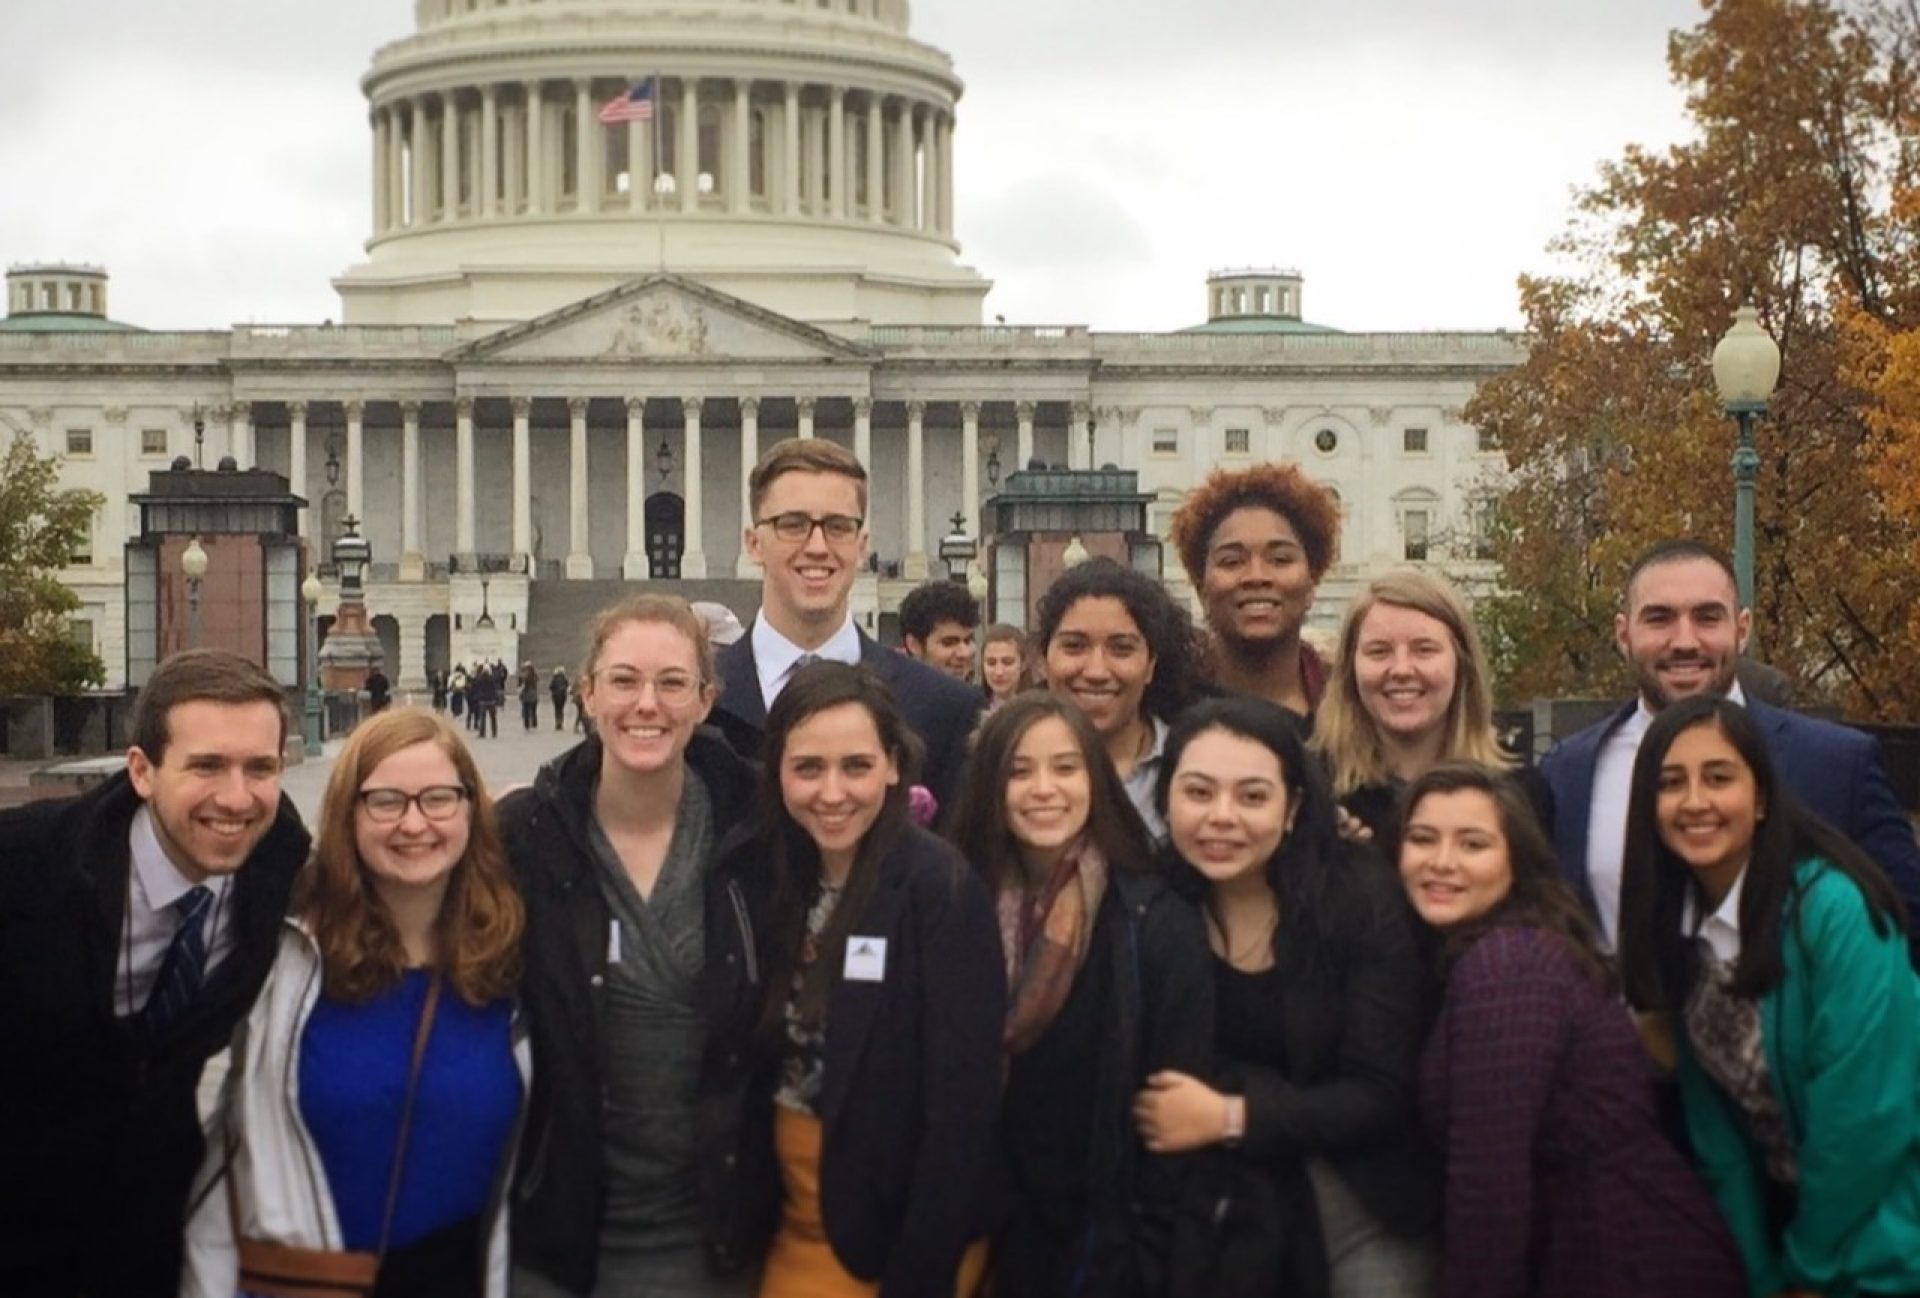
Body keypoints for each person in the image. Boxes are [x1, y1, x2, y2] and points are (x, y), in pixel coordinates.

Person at [184, 708, 526, 1298]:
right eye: (386, 801)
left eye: (439, 798)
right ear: (349, 813)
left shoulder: (516, 960)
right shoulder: (283, 956)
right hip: (303, 1283)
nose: (414, 823)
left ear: (473, 807)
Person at [0, 649, 311, 1297]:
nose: (236, 796)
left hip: (148, 1240)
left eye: (260, 767)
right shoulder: (26, 864)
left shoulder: (281, 862)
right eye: (206, 766)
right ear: (141, 771)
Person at [503, 595, 769, 1297]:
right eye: (623, 680)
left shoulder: (759, 835)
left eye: (673, 683)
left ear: (707, 699)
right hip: (558, 1243)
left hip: (718, 1241)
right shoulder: (525, 835)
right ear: (587, 691)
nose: (646, 704)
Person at [1397, 761, 1741, 1298]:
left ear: (1517, 861)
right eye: (1422, 839)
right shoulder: (1498, 950)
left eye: (1472, 844)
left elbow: (1488, 1191)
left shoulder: (1509, 966)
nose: (1442, 863)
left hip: (1625, 1257)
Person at [1132, 696, 1438, 1297]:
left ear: (1293, 806)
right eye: (1198, 793)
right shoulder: (1155, 904)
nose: (1222, 817)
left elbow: (1381, 1092)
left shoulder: (1358, 897)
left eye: (1252, 796)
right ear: (1165, 798)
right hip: (1215, 1208)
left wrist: (1230, 1117)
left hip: (1354, 1199)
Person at [1618, 696, 1920, 1298]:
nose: (1696, 801)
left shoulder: (1835, 910)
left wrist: (1808, 1271)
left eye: (1719, 777)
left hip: (1889, 1235)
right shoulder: (1679, 934)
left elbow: (1864, 1118)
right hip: (1797, 1241)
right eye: (1671, 782)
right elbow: (1718, 1138)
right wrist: (1757, 1273)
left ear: (1760, 799)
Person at [741, 661, 1005, 1298]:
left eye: (856, 767)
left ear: (892, 765)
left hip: (895, 1234)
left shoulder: (938, 888)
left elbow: (961, 1113)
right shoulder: (770, 877)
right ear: (777, 772)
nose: (832, 793)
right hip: (790, 1216)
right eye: (808, 768)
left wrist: (920, 1276)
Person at [1539, 538, 1920, 959]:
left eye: (1707, 617)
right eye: (1659, 618)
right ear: (1623, 634)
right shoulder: (1567, 773)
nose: (1685, 641)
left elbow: (1906, 924)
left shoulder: (1836, 765)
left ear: (1741, 630)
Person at [950, 695, 1211, 1296]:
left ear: (1095, 779)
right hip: (983, 1230)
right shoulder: (955, 906)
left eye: (1065, 768)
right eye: (1019, 771)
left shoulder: (1152, 920)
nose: (1044, 788)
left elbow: (1173, 1116)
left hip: (1107, 1244)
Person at [710, 438, 984, 818]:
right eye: (793, 525)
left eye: (838, 527)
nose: (818, 546)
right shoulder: (699, 705)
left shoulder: (945, 710)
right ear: (754, 544)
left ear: (861, 545)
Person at [1313, 569, 1534, 858]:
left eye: (1424, 650)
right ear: (1349, 669)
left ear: (1462, 663)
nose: (1402, 669)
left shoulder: (1521, 796)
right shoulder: (1313, 792)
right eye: (1379, 652)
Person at [1033, 556, 1198, 840]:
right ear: (1042, 661)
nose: (1096, 671)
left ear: (1151, 666)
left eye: (1121, 649)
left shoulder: (1196, 764)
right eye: (1074, 646)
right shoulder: (1000, 766)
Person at [1167, 463, 1342, 719]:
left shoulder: (1356, 709)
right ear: (1200, 586)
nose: (1256, 577)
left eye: (1280, 559)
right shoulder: (1162, 707)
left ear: (1311, 581)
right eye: (1231, 561)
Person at [898, 579, 980, 682]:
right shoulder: (886, 696)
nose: (964, 653)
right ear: (914, 645)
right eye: (949, 642)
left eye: (968, 641)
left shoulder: (980, 697)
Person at [981, 623, 1029, 710]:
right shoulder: (969, 709)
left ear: (1023, 664)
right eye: (991, 663)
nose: (999, 672)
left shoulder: (1038, 710)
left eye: (1007, 662)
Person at [470, 662, 500, 739]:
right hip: (491, 700)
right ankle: (494, 733)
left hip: (483, 700)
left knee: (482, 718)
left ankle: (482, 733)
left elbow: (475, 684)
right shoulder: (492, 679)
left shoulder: (480, 679)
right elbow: (496, 686)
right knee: (493, 718)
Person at [518, 661, 542, 731]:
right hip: (534, 694)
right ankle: (534, 724)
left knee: (526, 711)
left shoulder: (525, 676)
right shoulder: (535, 675)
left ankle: (527, 725)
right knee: (534, 710)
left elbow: (523, 685)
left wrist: (520, 690)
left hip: (527, 695)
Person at [549, 666, 571, 731]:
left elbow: (550, 687)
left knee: (557, 709)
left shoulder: (554, 678)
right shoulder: (564, 678)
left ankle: (557, 724)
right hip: (563, 696)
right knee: (561, 709)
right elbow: (568, 686)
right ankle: (561, 723)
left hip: (555, 696)